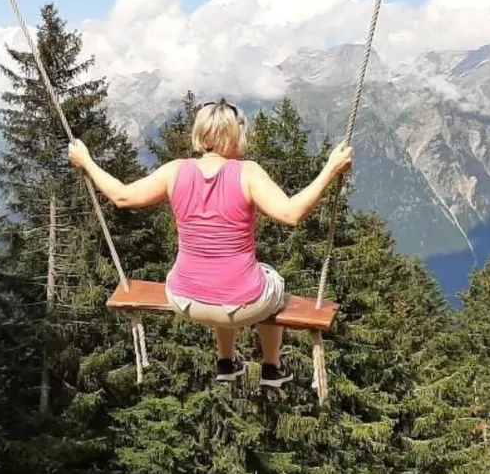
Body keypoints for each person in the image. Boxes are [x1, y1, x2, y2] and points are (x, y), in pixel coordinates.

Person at [68, 100, 353, 387]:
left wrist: (86, 161)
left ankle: (226, 362)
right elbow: (291, 214)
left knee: (222, 279)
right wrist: (331, 169)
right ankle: (272, 368)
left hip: (183, 298)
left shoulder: (175, 171)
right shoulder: (247, 172)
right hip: (244, 304)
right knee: (271, 280)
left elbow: (122, 197)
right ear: (235, 134)